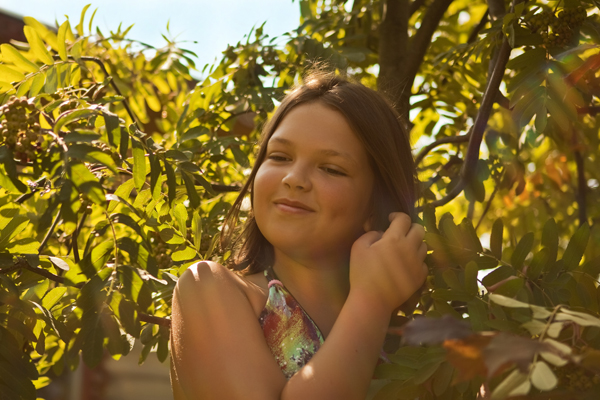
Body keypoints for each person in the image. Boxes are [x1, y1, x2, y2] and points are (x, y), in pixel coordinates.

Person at [169, 70, 428, 400]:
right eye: (279, 157)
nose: (294, 178)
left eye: (331, 168)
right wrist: (371, 300)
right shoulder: (208, 288)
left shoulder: (422, 345)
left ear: (376, 205)